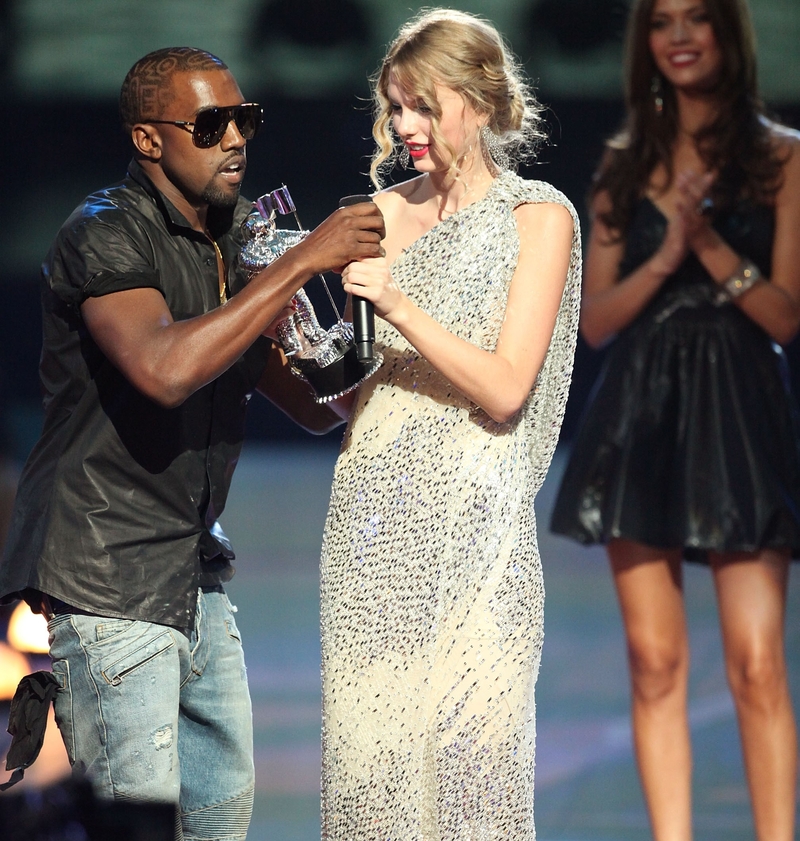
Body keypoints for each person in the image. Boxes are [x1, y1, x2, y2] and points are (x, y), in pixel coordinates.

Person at [0, 46, 385, 838]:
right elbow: (165, 368)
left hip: (195, 572)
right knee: (139, 822)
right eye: (212, 124)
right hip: (107, 576)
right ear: (150, 140)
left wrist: (357, 319)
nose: (236, 138)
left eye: (246, 118)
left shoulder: (242, 239)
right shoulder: (104, 234)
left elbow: (320, 407)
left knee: (218, 819)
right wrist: (301, 260)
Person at [318, 9, 582, 839]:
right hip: (372, 526)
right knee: (372, 780)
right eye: (396, 106)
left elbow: (505, 388)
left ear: (481, 100)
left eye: (424, 106)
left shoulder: (538, 218)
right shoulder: (378, 213)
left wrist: (395, 302)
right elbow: (348, 396)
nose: (404, 127)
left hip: (479, 531)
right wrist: (305, 344)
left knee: (476, 780)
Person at [549, 0, 800, 838]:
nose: (681, 35)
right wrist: (668, 251)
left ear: (728, 34)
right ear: (645, 43)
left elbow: (786, 315)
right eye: (662, 21)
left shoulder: (782, 158)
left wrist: (713, 249)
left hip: (741, 405)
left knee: (757, 664)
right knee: (655, 662)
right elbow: (595, 321)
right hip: (643, 406)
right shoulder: (624, 164)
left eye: (698, 18)